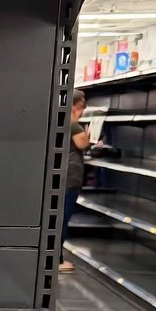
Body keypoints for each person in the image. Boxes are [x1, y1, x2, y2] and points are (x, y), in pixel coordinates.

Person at [59, 88, 90, 274]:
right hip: (69, 178)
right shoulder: (72, 124)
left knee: (58, 218)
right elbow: (82, 143)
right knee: (62, 219)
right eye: (80, 106)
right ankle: (56, 260)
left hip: (63, 177)